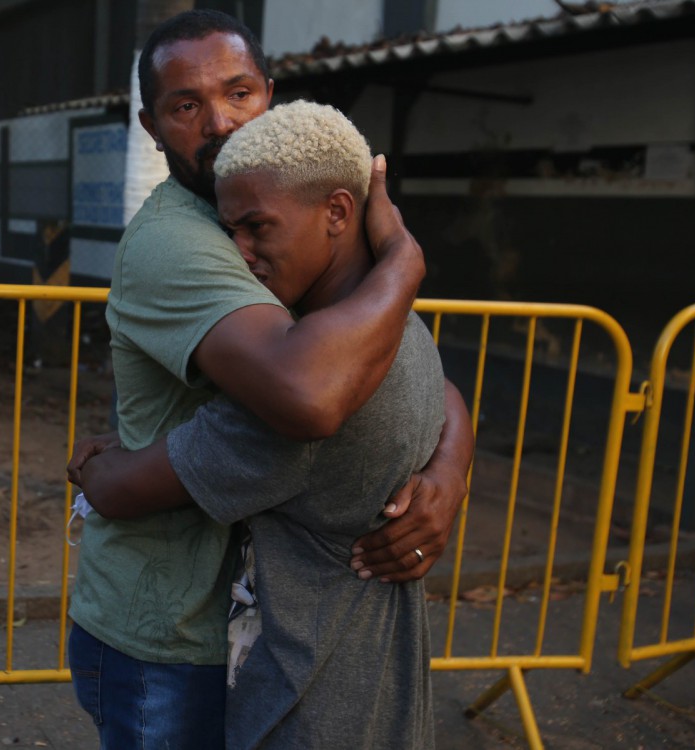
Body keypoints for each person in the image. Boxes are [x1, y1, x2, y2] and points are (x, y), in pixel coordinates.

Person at [65, 10, 473, 748]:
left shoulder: (272, 208)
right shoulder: (183, 241)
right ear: (151, 126)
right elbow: (311, 395)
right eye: (186, 106)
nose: (219, 122)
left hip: (257, 637)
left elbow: (411, 374)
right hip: (169, 636)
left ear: (270, 95)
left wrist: (447, 467)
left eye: (239, 92)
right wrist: (403, 263)